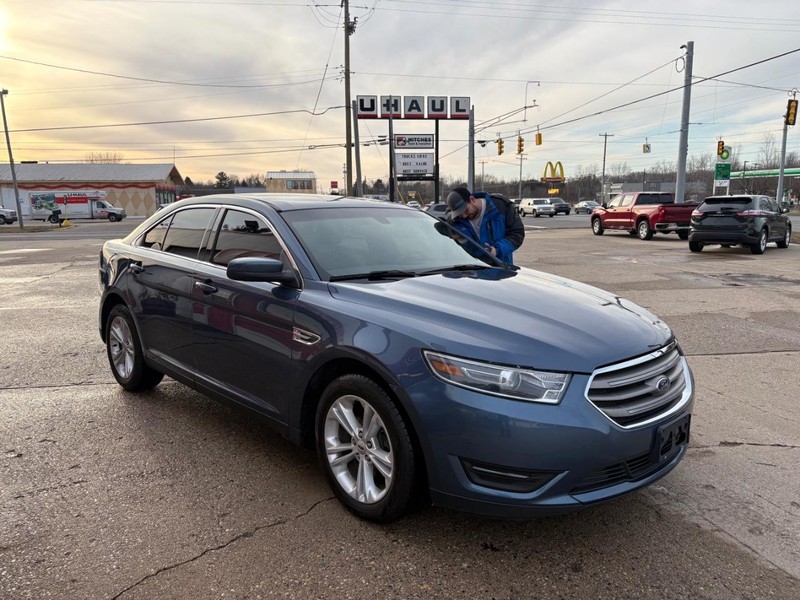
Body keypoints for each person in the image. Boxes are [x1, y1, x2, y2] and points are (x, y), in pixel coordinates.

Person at [445, 187, 524, 264]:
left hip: (502, 270)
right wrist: (461, 239)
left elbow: (517, 234)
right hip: (472, 272)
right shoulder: (456, 222)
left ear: (472, 199)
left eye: (466, 210)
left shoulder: (501, 206)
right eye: (460, 214)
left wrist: (496, 250)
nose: (464, 216)